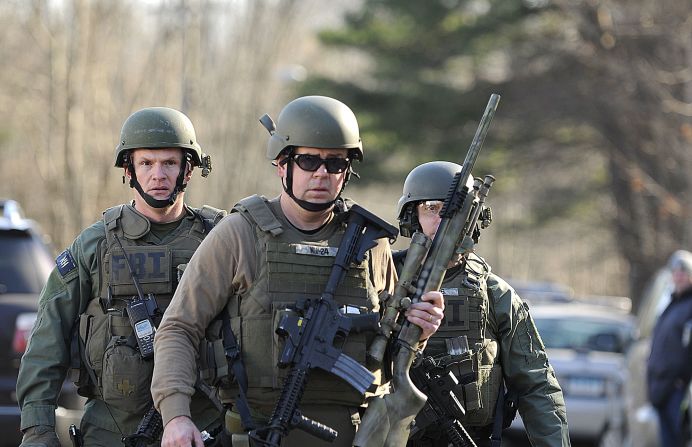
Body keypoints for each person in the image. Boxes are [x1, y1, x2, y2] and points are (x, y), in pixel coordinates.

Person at [150, 95, 445, 447]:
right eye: (308, 160)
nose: (322, 173)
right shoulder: (239, 234)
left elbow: (386, 347)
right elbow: (180, 327)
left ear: (348, 171)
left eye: (335, 163)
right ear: (281, 165)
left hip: (353, 434)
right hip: (258, 430)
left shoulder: (372, 244)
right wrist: (177, 415)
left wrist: (420, 330)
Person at [16, 107, 227, 446]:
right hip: (112, 429)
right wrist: (37, 429)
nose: (158, 174)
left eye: (169, 163)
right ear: (129, 169)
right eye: (146, 163)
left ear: (188, 169)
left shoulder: (220, 239)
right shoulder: (95, 244)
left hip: (203, 426)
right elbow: (47, 337)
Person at [394, 161, 570, 447]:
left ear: (472, 219)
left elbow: (537, 385)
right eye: (431, 208)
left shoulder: (494, 293)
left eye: (454, 211)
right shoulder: (382, 279)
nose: (443, 220)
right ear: (413, 216)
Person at [646, 249, 692, 447]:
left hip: (678, 391)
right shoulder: (671, 303)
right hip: (661, 388)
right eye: (676, 272)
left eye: (684, 272)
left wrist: (681, 380)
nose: (679, 276)